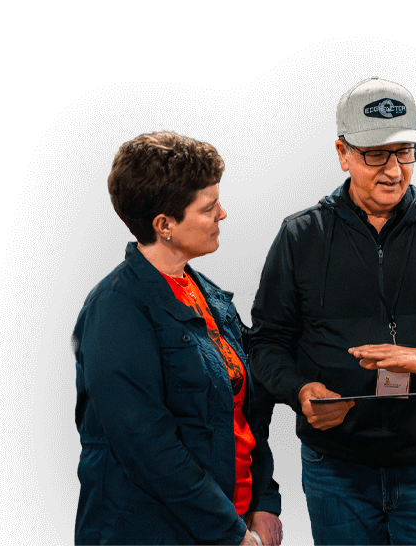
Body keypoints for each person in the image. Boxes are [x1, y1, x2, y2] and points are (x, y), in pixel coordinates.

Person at [247, 76, 416, 545]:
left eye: (404, 151)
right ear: (342, 153)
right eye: (375, 154)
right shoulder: (299, 236)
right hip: (334, 471)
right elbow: (266, 342)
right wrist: (300, 390)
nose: (393, 170)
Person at [73, 131, 282, 546]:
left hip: (236, 522)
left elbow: (246, 412)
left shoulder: (204, 292)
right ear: (164, 225)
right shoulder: (116, 309)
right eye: (209, 207)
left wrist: (265, 503)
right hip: (152, 531)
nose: (223, 214)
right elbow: (149, 449)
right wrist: (230, 533)